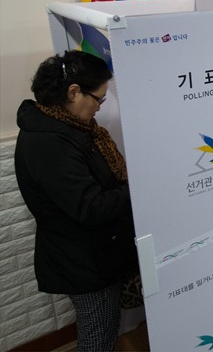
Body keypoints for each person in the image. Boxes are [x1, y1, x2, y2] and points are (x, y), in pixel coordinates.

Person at [14, 50, 136, 351]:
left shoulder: (70, 128)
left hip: (97, 252)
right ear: (73, 92)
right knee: (98, 337)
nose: (99, 108)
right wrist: (139, 188)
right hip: (84, 261)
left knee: (104, 329)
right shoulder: (50, 142)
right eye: (98, 99)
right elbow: (90, 207)